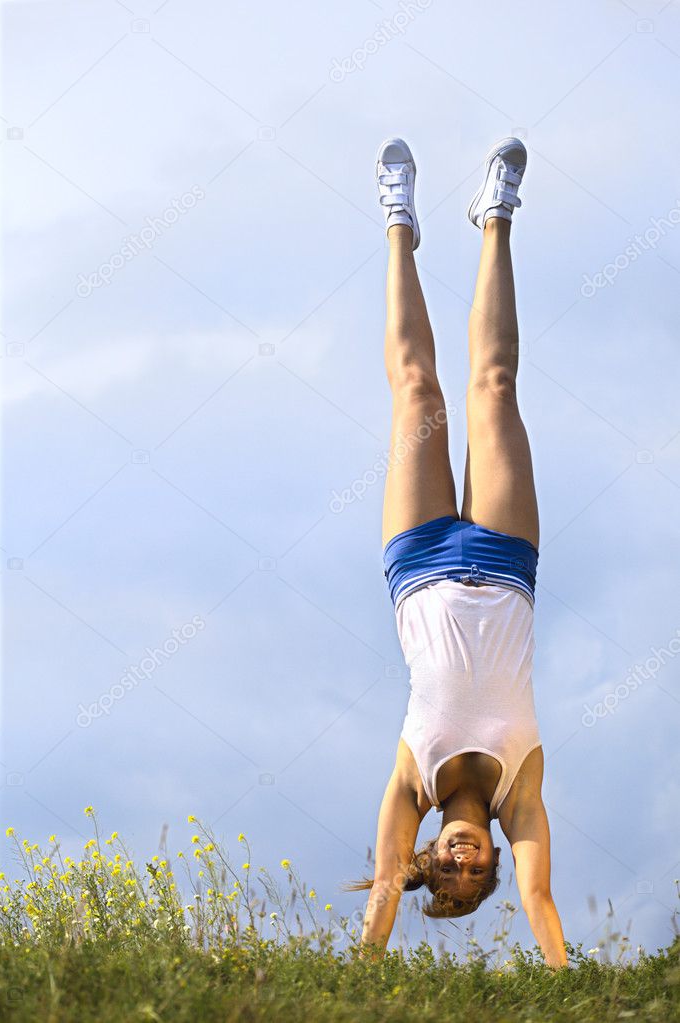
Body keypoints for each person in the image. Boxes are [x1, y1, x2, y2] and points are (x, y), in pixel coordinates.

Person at [346, 137, 567, 970]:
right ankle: (497, 216)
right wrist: (564, 984)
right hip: (507, 562)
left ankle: (398, 220)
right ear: (494, 857)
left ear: (431, 852)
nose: (465, 863)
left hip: (420, 559)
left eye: (447, 870)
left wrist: (360, 979)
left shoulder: (413, 784)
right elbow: (540, 900)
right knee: (495, 387)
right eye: (477, 875)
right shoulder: (521, 790)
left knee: (417, 389)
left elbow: (381, 891)